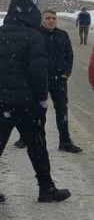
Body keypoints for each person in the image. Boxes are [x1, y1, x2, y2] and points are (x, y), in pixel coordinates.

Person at [0, 0, 70, 203]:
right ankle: (46, 188)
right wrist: (42, 98)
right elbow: (38, 72)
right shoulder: (33, 37)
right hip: (27, 102)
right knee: (37, 144)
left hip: (2, 102)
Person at [14, 10, 81, 153]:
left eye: (54, 18)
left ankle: (65, 141)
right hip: (39, 79)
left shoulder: (63, 35)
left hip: (59, 79)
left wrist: (67, 72)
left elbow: (69, 54)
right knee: (34, 110)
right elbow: (26, 56)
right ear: (41, 20)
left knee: (62, 110)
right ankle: (27, 138)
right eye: (48, 18)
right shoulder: (34, 35)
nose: (51, 20)